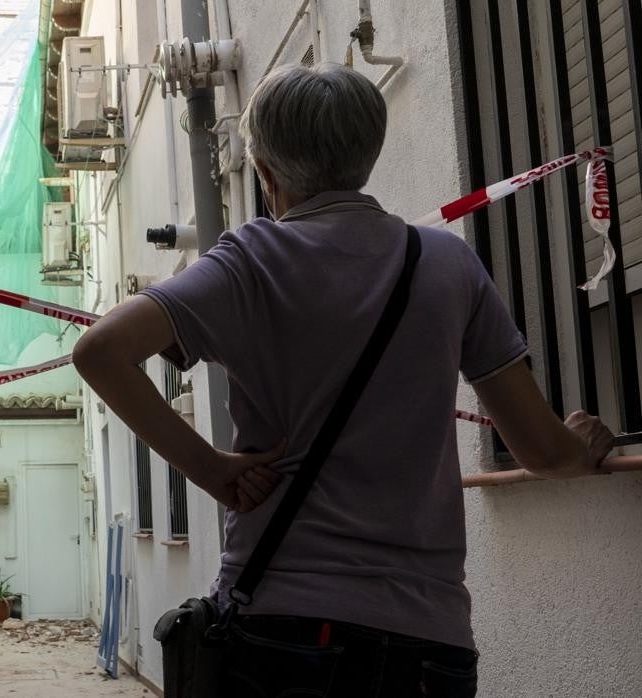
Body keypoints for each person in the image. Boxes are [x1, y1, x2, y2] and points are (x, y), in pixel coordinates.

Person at [72, 63, 614, 697]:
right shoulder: (446, 265)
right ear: (368, 154)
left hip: (281, 623)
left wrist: (211, 470)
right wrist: (582, 443)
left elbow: (100, 351)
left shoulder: (248, 262)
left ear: (266, 171)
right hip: (427, 640)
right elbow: (544, 453)